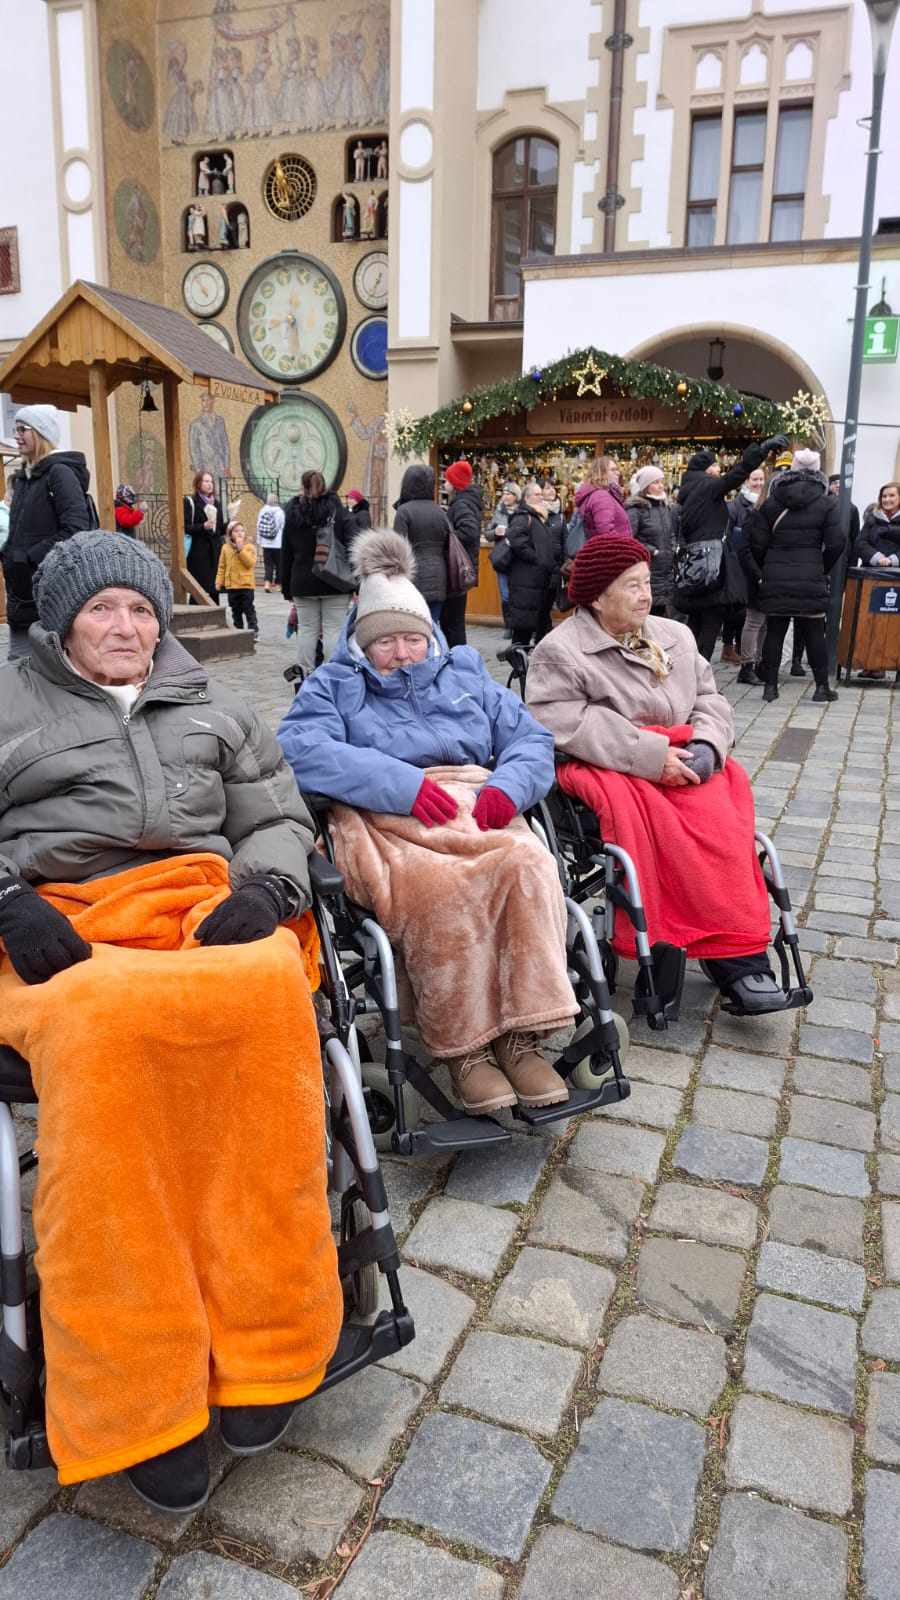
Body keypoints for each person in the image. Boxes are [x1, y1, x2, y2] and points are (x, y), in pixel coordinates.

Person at [0, 531, 341, 1513]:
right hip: (59, 921)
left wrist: (269, 888)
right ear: (61, 624)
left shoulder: (214, 705)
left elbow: (275, 815)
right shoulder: (9, 701)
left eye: (143, 610)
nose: (127, 627)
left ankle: (265, 1339)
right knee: (104, 1030)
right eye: (103, 609)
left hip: (196, 899)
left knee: (270, 990)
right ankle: (137, 1386)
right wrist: (8, 900)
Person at [278, 530, 578, 1114]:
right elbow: (299, 748)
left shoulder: (465, 673)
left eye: (413, 638)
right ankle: (464, 1048)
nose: (402, 653)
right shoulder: (334, 684)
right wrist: (402, 784)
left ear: (430, 635)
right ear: (362, 643)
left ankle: (521, 1035)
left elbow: (530, 739)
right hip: (383, 815)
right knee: (439, 888)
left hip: (475, 801)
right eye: (386, 641)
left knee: (529, 864)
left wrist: (507, 788)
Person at [525, 533, 793, 1016]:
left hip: (684, 753)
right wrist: (652, 756)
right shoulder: (560, 650)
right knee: (666, 827)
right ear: (597, 596)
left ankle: (736, 953)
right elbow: (565, 722)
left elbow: (709, 698)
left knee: (724, 817)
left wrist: (708, 747)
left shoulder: (675, 635)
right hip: (611, 762)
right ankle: (677, 940)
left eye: (647, 583)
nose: (645, 595)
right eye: (632, 586)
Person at [675, 435, 788, 660]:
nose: (719, 470)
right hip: (711, 565)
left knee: (696, 621)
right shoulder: (707, 486)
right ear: (707, 469)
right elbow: (738, 473)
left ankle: (689, 669)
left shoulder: (689, 490)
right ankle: (700, 673)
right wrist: (762, 449)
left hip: (694, 565)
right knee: (710, 619)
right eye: (715, 465)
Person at [746, 449, 843, 703]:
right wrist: (821, 567)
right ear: (818, 471)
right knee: (814, 632)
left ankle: (770, 687)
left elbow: (756, 543)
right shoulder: (827, 503)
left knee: (775, 631)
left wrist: (768, 566)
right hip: (811, 574)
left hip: (776, 574)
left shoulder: (772, 502)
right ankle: (821, 688)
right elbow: (837, 543)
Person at [1, 405, 94, 661]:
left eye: (23, 429)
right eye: (15, 429)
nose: (17, 435)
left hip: (47, 593)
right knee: (19, 667)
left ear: (41, 433)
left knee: (47, 667)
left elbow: (75, 529)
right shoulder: (24, 478)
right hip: (20, 594)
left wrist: (29, 558)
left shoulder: (59, 473)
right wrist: (9, 554)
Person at [281, 469, 355, 675]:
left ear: (302, 487)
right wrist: (356, 582)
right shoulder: (338, 512)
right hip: (335, 580)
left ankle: (305, 675)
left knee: (307, 630)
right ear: (325, 485)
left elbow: (285, 553)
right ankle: (331, 674)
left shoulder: (292, 514)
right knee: (333, 629)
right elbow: (352, 546)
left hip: (302, 581)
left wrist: (286, 587)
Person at [506, 479, 564, 648]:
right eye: (537, 494)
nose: (541, 497)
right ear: (527, 498)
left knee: (532, 621)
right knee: (523, 625)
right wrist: (536, 558)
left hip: (535, 579)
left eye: (540, 494)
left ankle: (523, 654)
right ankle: (517, 656)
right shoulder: (523, 516)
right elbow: (516, 540)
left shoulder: (537, 516)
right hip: (525, 578)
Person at [392, 463, 450, 623]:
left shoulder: (404, 511)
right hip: (439, 576)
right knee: (432, 626)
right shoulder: (440, 511)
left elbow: (397, 550)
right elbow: (448, 544)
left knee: (413, 627)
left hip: (412, 577)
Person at [727, 466, 767, 685]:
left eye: (761, 479)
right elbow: (733, 540)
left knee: (761, 620)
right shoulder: (737, 506)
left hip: (757, 567)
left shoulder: (764, 505)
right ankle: (746, 663)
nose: (758, 483)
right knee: (751, 618)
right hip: (743, 567)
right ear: (746, 481)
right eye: (755, 479)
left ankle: (756, 661)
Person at [625, 465, 677, 616]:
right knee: (647, 611)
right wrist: (653, 551)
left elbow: (670, 532)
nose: (661, 486)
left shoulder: (663, 507)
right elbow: (629, 539)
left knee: (661, 611)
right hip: (647, 567)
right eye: (656, 482)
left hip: (665, 568)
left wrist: (673, 547)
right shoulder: (636, 509)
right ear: (646, 486)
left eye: (661, 481)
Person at [444, 458, 483, 647]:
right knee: (455, 621)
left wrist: (448, 537)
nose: (444, 484)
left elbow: (469, 531)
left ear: (455, 483)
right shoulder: (466, 501)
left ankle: (457, 656)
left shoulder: (461, 504)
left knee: (453, 622)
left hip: (457, 568)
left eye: (447, 480)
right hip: (463, 568)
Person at [183, 469, 225, 602]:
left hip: (214, 553)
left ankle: (215, 613)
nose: (210, 484)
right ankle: (196, 614)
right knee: (199, 590)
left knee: (214, 589)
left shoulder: (216, 503)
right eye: (206, 481)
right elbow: (186, 527)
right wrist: (203, 526)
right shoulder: (190, 502)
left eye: (211, 481)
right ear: (198, 483)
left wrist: (230, 523)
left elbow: (219, 530)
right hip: (198, 553)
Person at [488, 481, 521, 634]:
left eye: (508, 494)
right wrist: (495, 533)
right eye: (504, 493)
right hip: (502, 558)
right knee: (505, 594)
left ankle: (518, 625)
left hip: (518, 557)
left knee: (517, 592)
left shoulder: (522, 512)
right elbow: (488, 533)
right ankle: (509, 626)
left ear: (516, 496)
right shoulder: (499, 511)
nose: (505, 496)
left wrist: (510, 532)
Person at [216, 519, 259, 634]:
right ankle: (238, 631)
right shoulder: (225, 548)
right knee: (236, 611)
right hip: (232, 586)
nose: (240, 533)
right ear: (230, 534)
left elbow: (250, 563)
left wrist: (240, 550)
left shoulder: (249, 547)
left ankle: (253, 631)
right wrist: (219, 582)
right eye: (236, 531)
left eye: (242, 531)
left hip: (246, 585)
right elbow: (222, 566)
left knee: (249, 609)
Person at [574, 456, 631, 540]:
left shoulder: (600, 494)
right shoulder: (601, 496)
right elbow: (606, 531)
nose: (618, 473)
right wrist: (623, 545)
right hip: (614, 547)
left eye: (617, 469)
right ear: (601, 473)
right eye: (613, 470)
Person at [855, 481, 900, 567]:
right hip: (870, 571)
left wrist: (892, 560)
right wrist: (877, 557)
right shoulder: (872, 518)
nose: (887, 499)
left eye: (892, 495)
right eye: (884, 496)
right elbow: (860, 543)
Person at [256, 491, 284, 591]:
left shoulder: (263, 511)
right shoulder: (280, 512)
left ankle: (267, 584)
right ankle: (278, 584)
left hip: (266, 543)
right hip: (278, 544)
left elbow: (258, 526)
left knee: (268, 564)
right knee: (279, 564)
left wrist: (259, 541)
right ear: (277, 501)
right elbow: (283, 527)